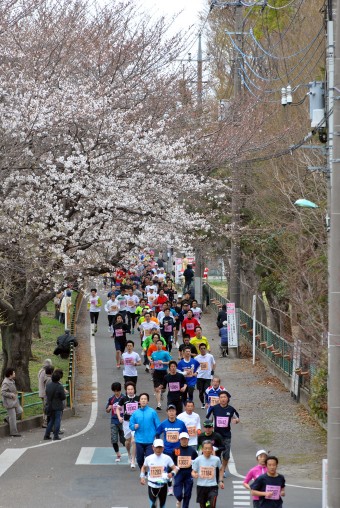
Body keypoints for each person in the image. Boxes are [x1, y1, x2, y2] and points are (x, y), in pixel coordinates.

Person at [206, 391, 240, 477]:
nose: (223, 399)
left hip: (226, 435)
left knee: (226, 455)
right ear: (219, 399)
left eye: (224, 397)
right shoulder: (214, 408)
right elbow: (208, 420)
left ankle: (223, 469)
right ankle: (218, 469)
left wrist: (236, 421)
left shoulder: (231, 409)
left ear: (227, 398)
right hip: (216, 435)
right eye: (221, 397)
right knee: (216, 454)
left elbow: (237, 418)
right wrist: (208, 429)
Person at [140, 438, 178, 508]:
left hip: (163, 486)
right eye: (157, 447)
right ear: (153, 447)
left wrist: (172, 474)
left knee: (162, 506)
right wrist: (142, 476)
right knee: (152, 506)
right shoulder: (148, 458)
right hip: (152, 485)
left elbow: (175, 468)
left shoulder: (167, 458)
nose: (158, 450)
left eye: (160, 448)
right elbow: (143, 467)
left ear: (163, 448)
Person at [129, 392, 161, 469]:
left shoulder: (152, 412)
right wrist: (134, 426)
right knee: (139, 459)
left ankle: (149, 473)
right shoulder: (135, 413)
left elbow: (158, 425)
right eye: (142, 399)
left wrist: (157, 436)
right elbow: (131, 425)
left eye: (145, 399)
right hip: (139, 440)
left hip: (150, 440)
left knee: (150, 458)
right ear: (139, 401)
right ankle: (143, 471)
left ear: (147, 401)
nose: (143, 401)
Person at [191, 440, 224, 508]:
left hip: (212, 486)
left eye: (209, 448)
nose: (207, 450)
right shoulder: (198, 459)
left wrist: (221, 481)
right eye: (205, 448)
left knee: (211, 505)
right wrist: (194, 474)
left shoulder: (216, 459)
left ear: (212, 449)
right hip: (201, 486)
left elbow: (221, 469)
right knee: (203, 506)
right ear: (202, 449)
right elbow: (193, 471)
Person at [117, 381, 140, 469]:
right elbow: (118, 409)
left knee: (134, 441)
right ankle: (129, 453)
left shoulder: (138, 398)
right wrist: (119, 417)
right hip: (126, 422)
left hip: (136, 423)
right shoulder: (123, 399)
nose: (130, 391)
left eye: (131, 389)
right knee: (128, 441)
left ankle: (133, 460)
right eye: (128, 389)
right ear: (126, 390)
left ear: (134, 390)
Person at [172, 432, 198, 508]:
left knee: (187, 493)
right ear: (179, 440)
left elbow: (196, 461)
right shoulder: (176, 450)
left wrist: (194, 471)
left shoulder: (192, 450)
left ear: (188, 440)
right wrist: (174, 469)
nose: (184, 441)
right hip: (179, 473)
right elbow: (172, 461)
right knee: (178, 493)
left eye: (185, 439)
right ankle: (179, 499)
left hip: (188, 473)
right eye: (182, 439)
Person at [44, 370, 67, 441]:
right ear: (59, 378)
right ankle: (56, 435)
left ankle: (46, 435)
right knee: (57, 420)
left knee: (51, 421)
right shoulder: (59, 386)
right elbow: (63, 397)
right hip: (57, 406)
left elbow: (47, 394)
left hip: (50, 406)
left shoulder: (48, 385)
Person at [106, 382, 126, 462]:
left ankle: (128, 449)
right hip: (114, 421)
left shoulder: (124, 397)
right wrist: (109, 408)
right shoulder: (111, 399)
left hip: (123, 421)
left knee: (123, 439)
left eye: (117, 391)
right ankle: (117, 453)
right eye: (115, 391)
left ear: (120, 390)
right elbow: (107, 410)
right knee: (114, 439)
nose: (116, 393)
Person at [151, 339, 172, 410]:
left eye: (160, 344)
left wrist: (163, 363)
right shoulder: (153, 354)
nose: (159, 345)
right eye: (157, 344)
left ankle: (161, 393)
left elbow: (171, 362)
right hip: (156, 372)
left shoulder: (165, 353)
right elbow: (152, 362)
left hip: (164, 372)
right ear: (155, 345)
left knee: (162, 389)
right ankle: (159, 404)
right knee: (157, 389)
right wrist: (152, 363)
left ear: (162, 345)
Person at [1, 367, 23, 437]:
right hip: (9, 403)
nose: (14, 373)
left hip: (15, 401)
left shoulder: (12, 380)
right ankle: (14, 432)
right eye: (13, 372)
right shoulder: (6, 382)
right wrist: (11, 395)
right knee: (13, 418)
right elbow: (2, 392)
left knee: (20, 411)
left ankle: (7, 418)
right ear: (10, 374)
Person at [195, 344, 216, 409]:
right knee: (201, 391)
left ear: (206, 349)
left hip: (208, 376)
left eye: (204, 348)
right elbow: (195, 366)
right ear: (199, 349)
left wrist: (212, 371)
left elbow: (214, 363)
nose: (203, 350)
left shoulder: (210, 356)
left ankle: (207, 402)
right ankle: (203, 403)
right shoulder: (197, 358)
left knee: (206, 390)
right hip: (199, 376)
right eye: (201, 348)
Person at [38, 358, 53, 428]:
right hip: (45, 393)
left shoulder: (40, 371)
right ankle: (45, 422)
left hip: (42, 392)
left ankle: (45, 421)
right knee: (46, 408)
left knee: (45, 407)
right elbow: (47, 382)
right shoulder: (45, 372)